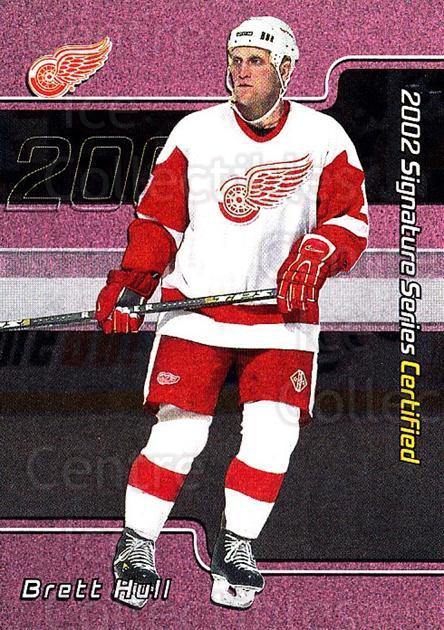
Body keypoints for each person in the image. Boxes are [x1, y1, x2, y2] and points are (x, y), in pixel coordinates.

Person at [95, 16, 369, 610]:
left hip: (282, 318)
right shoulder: (196, 132)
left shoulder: (324, 137)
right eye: (235, 59)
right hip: (197, 308)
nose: (241, 71)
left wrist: (319, 253)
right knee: (179, 433)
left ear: (286, 70)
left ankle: (237, 544)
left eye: (256, 62)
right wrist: (133, 282)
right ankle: (137, 543)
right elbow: (159, 219)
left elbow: (349, 220)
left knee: (273, 436)